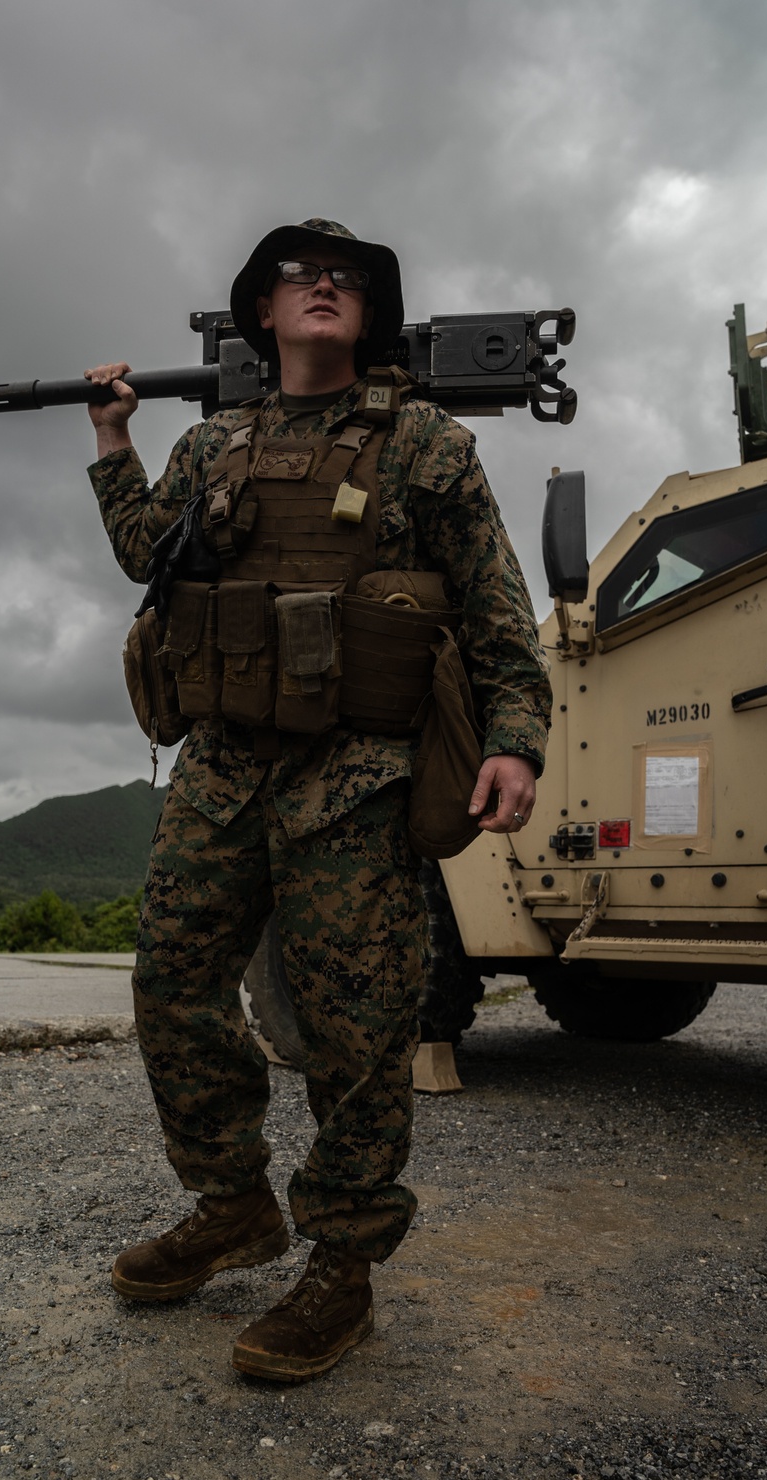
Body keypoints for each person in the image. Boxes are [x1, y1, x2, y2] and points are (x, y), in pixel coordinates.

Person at [85, 218, 550, 1383]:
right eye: (300, 276)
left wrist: (516, 740)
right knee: (172, 982)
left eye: (347, 279)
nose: (325, 286)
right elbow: (150, 552)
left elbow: (494, 603)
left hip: (358, 773)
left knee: (357, 1026)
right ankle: (231, 1205)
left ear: (369, 316)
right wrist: (111, 439)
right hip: (225, 763)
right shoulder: (213, 446)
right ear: (262, 312)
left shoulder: (422, 445)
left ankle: (340, 1269)